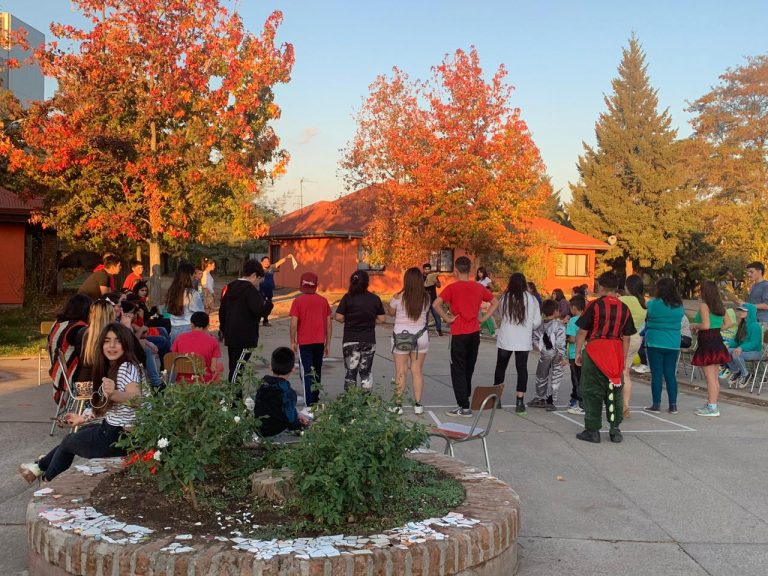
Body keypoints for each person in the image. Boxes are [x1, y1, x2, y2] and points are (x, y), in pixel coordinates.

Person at [19, 323, 142, 483]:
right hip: (113, 430)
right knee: (78, 434)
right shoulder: (114, 366)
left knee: (69, 443)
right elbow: (110, 408)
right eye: (107, 341)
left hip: (120, 438)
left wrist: (114, 394)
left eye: (118, 341)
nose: (112, 345)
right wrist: (82, 418)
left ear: (126, 344)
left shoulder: (126, 367)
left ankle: (47, 480)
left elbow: (136, 398)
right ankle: (38, 468)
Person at [574, 272, 636, 443]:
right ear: (616, 288)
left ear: (600, 287)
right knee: (614, 392)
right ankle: (615, 430)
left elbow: (583, 331)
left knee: (592, 391)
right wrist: (623, 359)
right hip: (615, 351)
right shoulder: (624, 308)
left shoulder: (594, 305)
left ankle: (592, 430)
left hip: (595, 351)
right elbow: (627, 337)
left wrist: (578, 352)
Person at [433, 256, 497, 417]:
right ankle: (465, 399)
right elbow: (496, 303)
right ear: (470, 270)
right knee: (469, 367)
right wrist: (484, 318)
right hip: (474, 332)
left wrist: (447, 318)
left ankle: (463, 405)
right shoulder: (478, 287)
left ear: (455, 270)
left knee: (458, 369)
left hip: (459, 332)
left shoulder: (452, 288)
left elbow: (435, 304)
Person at [482, 272, 541, 415]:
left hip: (506, 338)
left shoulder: (505, 297)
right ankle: (520, 401)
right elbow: (537, 321)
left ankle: (497, 399)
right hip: (523, 339)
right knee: (522, 369)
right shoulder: (531, 299)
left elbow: (500, 314)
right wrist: (528, 326)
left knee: (500, 367)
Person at [387, 267, 431, 414]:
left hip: (401, 337)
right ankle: (418, 405)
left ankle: (398, 405)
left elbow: (390, 313)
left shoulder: (399, 297)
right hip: (421, 337)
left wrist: (394, 299)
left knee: (401, 370)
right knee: (417, 370)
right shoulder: (426, 298)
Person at [335, 270, 386, 390]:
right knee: (366, 372)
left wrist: (349, 320)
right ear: (367, 283)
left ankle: (351, 398)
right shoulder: (374, 298)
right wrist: (370, 321)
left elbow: (338, 317)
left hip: (350, 339)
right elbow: (382, 319)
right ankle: (365, 398)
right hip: (368, 339)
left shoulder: (348, 298)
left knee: (351, 371)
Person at [690, 280, 733, 417]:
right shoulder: (720, 306)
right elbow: (729, 323)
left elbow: (706, 325)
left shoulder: (704, 305)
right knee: (714, 377)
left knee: (710, 379)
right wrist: (717, 328)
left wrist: (695, 325)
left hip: (707, 342)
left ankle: (712, 407)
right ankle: (711, 404)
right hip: (717, 340)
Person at [289, 272, 332, 407]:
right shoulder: (323, 301)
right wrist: (327, 344)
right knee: (316, 370)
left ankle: (309, 404)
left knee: (306, 372)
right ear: (316, 286)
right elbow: (329, 324)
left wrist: (292, 341)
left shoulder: (298, 301)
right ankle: (315, 398)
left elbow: (294, 324)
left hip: (304, 342)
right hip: (319, 342)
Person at [220, 258, 265, 383]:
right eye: (258, 279)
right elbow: (258, 311)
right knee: (238, 369)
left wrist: (223, 329)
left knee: (234, 367)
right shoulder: (250, 290)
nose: (257, 283)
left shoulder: (230, 287)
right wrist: (267, 306)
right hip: (245, 337)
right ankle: (233, 394)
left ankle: (235, 393)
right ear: (254, 275)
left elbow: (222, 310)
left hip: (231, 334)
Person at [643, 278, 684, 414]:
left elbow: (647, 317)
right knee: (670, 374)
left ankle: (656, 404)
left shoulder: (653, 303)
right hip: (673, 342)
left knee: (657, 374)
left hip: (655, 341)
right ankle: (673, 405)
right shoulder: (679, 305)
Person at [251, 347, 309, 437]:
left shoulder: (262, 384)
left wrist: (297, 416)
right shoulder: (288, 392)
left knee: (294, 412)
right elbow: (292, 423)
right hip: (276, 433)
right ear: (293, 368)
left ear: (270, 366)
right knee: (308, 425)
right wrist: (301, 425)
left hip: (260, 430)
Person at [47, 294, 92, 405]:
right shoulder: (78, 329)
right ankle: (89, 409)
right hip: (76, 383)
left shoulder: (58, 324)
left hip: (61, 376)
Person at [528, 299, 566, 411]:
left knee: (541, 375)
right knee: (556, 376)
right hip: (557, 354)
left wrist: (541, 348)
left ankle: (540, 398)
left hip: (544, 354)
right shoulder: (560, 325)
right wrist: (563, 356)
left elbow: (534, 338)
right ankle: (551, 401)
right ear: (555, 312)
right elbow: (561, 343)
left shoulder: (539, 325)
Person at [620, 275, 647, 417]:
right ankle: (626, 405)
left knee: (616, 372)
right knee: (626, 372)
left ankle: (617, 403)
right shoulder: (643, 303)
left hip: (622, 338)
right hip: (636, 339)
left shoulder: (623, 300)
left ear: (628, 286)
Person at [170, 311, 223, 383]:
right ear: (207, 326)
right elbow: (213, 368)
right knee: (220, 366)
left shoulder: (179, 338)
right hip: (203, 381)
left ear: (192, 324)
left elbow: (173, 360)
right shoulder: (213, 341)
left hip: (182, 381)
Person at [722, 303, 761, 388]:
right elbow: (737, 340)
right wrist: (728, 345)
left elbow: (754, 343)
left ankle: (746, 374)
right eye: (740, 310)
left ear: (750, 312)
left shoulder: (755, 326)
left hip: (755, 352)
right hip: (743, 350)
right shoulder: (742, 325)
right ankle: (736, 371)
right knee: (725, 351)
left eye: (744, 311)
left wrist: (741, 348)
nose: (741, 312)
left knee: (736, 354)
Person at [166, 262, 204, 342]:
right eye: (193, 274)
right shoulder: (192, 293)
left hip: (174, 330)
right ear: (189, 275)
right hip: (189, 330)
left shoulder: (172, 291)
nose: (194, 276)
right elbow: (201, 314)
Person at [565, 295, 586, 414]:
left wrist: (566, 338)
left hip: (574, 354)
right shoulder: (588, 319)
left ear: (574, 308)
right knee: (583, 379)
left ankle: (581, 404)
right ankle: (574, 400)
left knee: (576, 380)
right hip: (586, 353)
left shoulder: (573, 321)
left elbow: (572, 339)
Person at [259, 254, 294, 326]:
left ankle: (265, 321)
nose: (267, 263)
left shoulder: (271, 267)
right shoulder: (258, 270)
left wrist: (287, 257)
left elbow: (280, 262)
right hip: (260, 291)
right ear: (261, 262)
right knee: (259, 305)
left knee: (269, 305)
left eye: (268, 261)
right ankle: (257, 320)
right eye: (265, 261)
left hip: (269, 291)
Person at [743, 261, 768, 325]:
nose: (749, 274)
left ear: (760, 271)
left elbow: (767, 305)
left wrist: (749, 305)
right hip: (752, 320)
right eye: (748, 272)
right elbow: (753, 303)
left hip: (762, 322)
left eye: (751, 272)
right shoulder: (753, 285)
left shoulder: (766, 285)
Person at [423, 263, 443, 336]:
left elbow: (439, 286)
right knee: (425, 316)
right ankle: (425, 330)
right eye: (426, 269)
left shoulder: (433, 276)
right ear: (423, 269)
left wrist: (436, 282)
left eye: (428, 269)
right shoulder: (421, 277)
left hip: (433, 298)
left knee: (436, 315)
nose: (427, 270)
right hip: (425, 299)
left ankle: (439, 330)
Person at [476, 267, 496, 336]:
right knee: (479, 316)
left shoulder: (486, 279)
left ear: (484, 272)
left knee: (486, 315)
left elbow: (492, 288)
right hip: (479, 300)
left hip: (485, 300)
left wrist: (486, 292)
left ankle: (492, 331)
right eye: (478, 272)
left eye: (481, 272)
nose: (479, 274)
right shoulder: (478, 281)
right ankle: (481, 330)